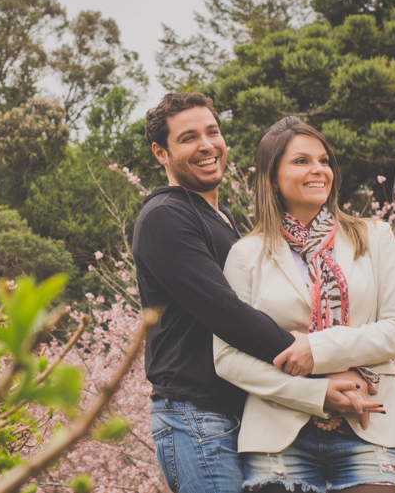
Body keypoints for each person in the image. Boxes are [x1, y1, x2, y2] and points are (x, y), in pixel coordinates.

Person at [133, 94, 377, 493]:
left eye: (213, 132)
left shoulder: (222, 216)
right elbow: (225, 311)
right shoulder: (165, 216)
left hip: (239, 412)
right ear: (161, 152)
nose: (207, 145)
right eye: (189, 138)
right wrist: (315, 359)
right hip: (197, 416)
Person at [214, 116, 395, 492]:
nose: (318, 170)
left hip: (370, 423)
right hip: (279, 433)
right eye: (301, 161)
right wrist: (316, 393)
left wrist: (317, 349)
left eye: (324, 161)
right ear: (272, 178)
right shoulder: (245, 255)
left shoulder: (374, 237)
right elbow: (227, 357)